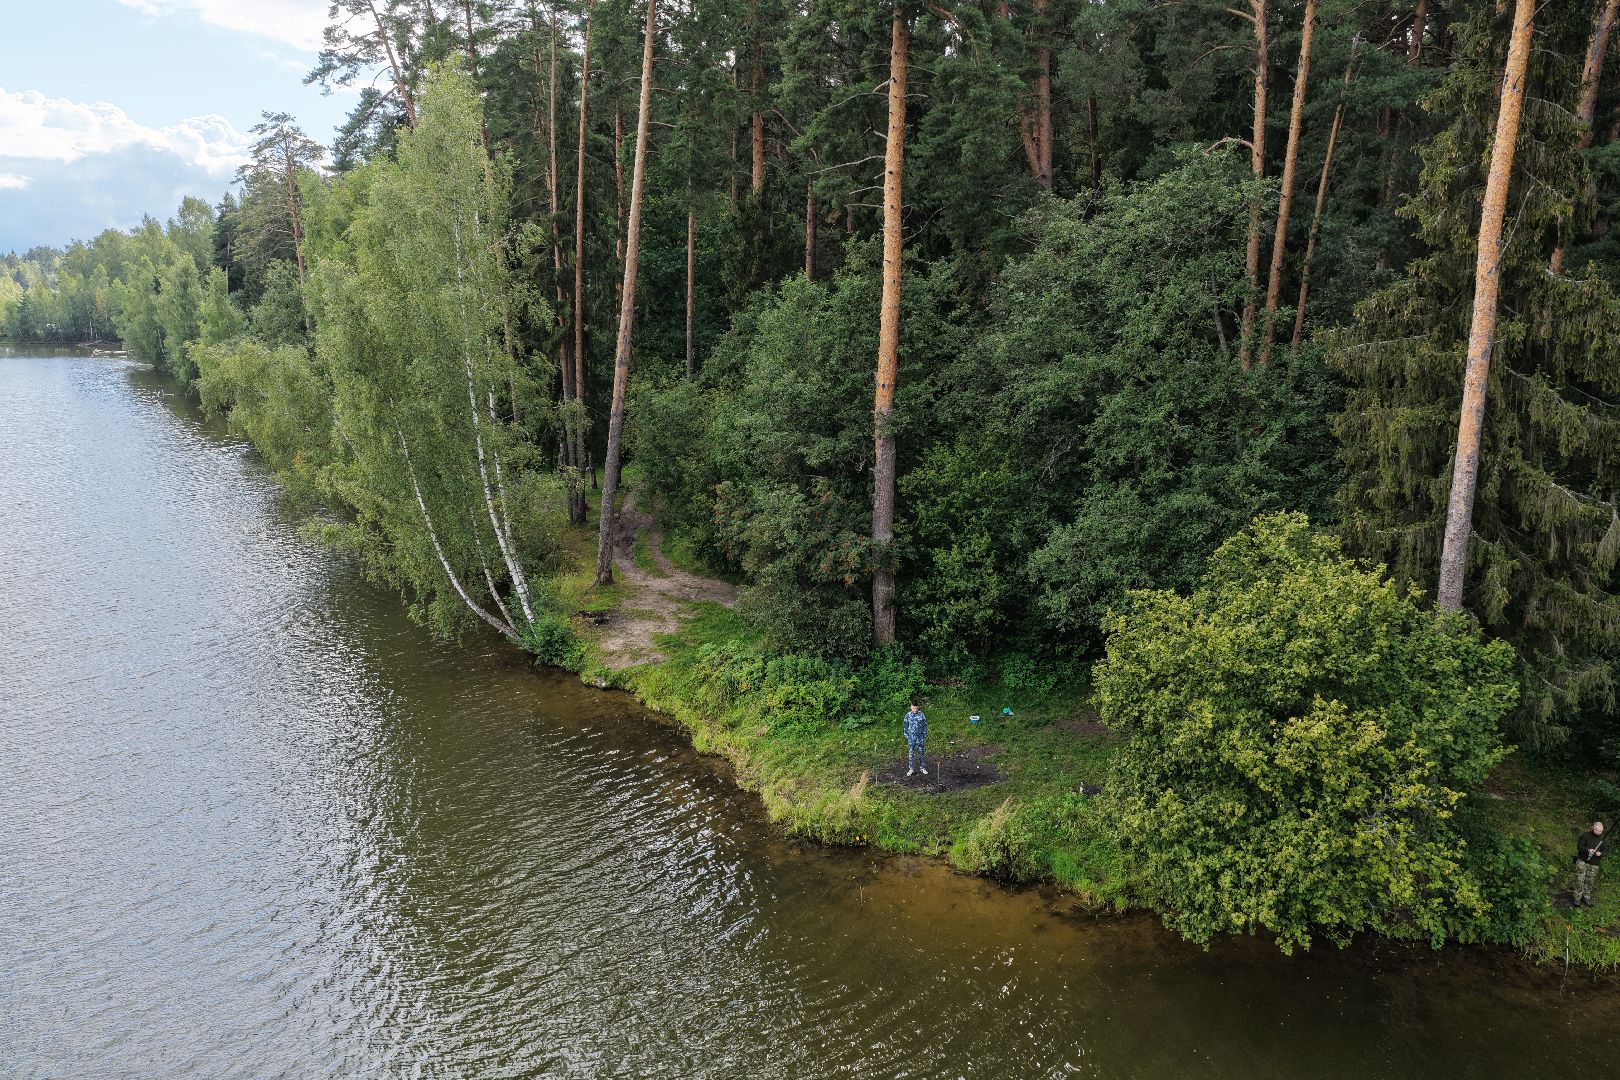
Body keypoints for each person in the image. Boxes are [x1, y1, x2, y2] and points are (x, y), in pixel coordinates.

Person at [1572, 820, 1607, 907]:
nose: (1598, 832)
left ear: (1602, 831)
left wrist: (1600, 854)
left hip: (1594, 863)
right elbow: (1579, 847)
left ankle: (1586, 897)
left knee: (1590, 881)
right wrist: (1588, 850)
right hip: (1582, 861)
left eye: (1600, 831)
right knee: (1579, 879)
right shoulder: (1585, 835)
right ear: (1592, 828)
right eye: (1596, 830)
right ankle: (1577, 898)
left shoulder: (1603, 839)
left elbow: (1606, 851)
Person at [902, 701, 928, 778]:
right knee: (911, 753)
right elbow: (905, 726)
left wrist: (924, 735)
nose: (915, 710)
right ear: (911, 707)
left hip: (920, 738)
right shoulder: (907, 715)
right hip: (911, 738)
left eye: (916, 708)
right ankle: (911, 769)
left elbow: (925, 725)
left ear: (918, 707)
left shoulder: (921, 714)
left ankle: (922, 768)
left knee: (921, 753)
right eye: (913, 708)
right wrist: (907, 736)